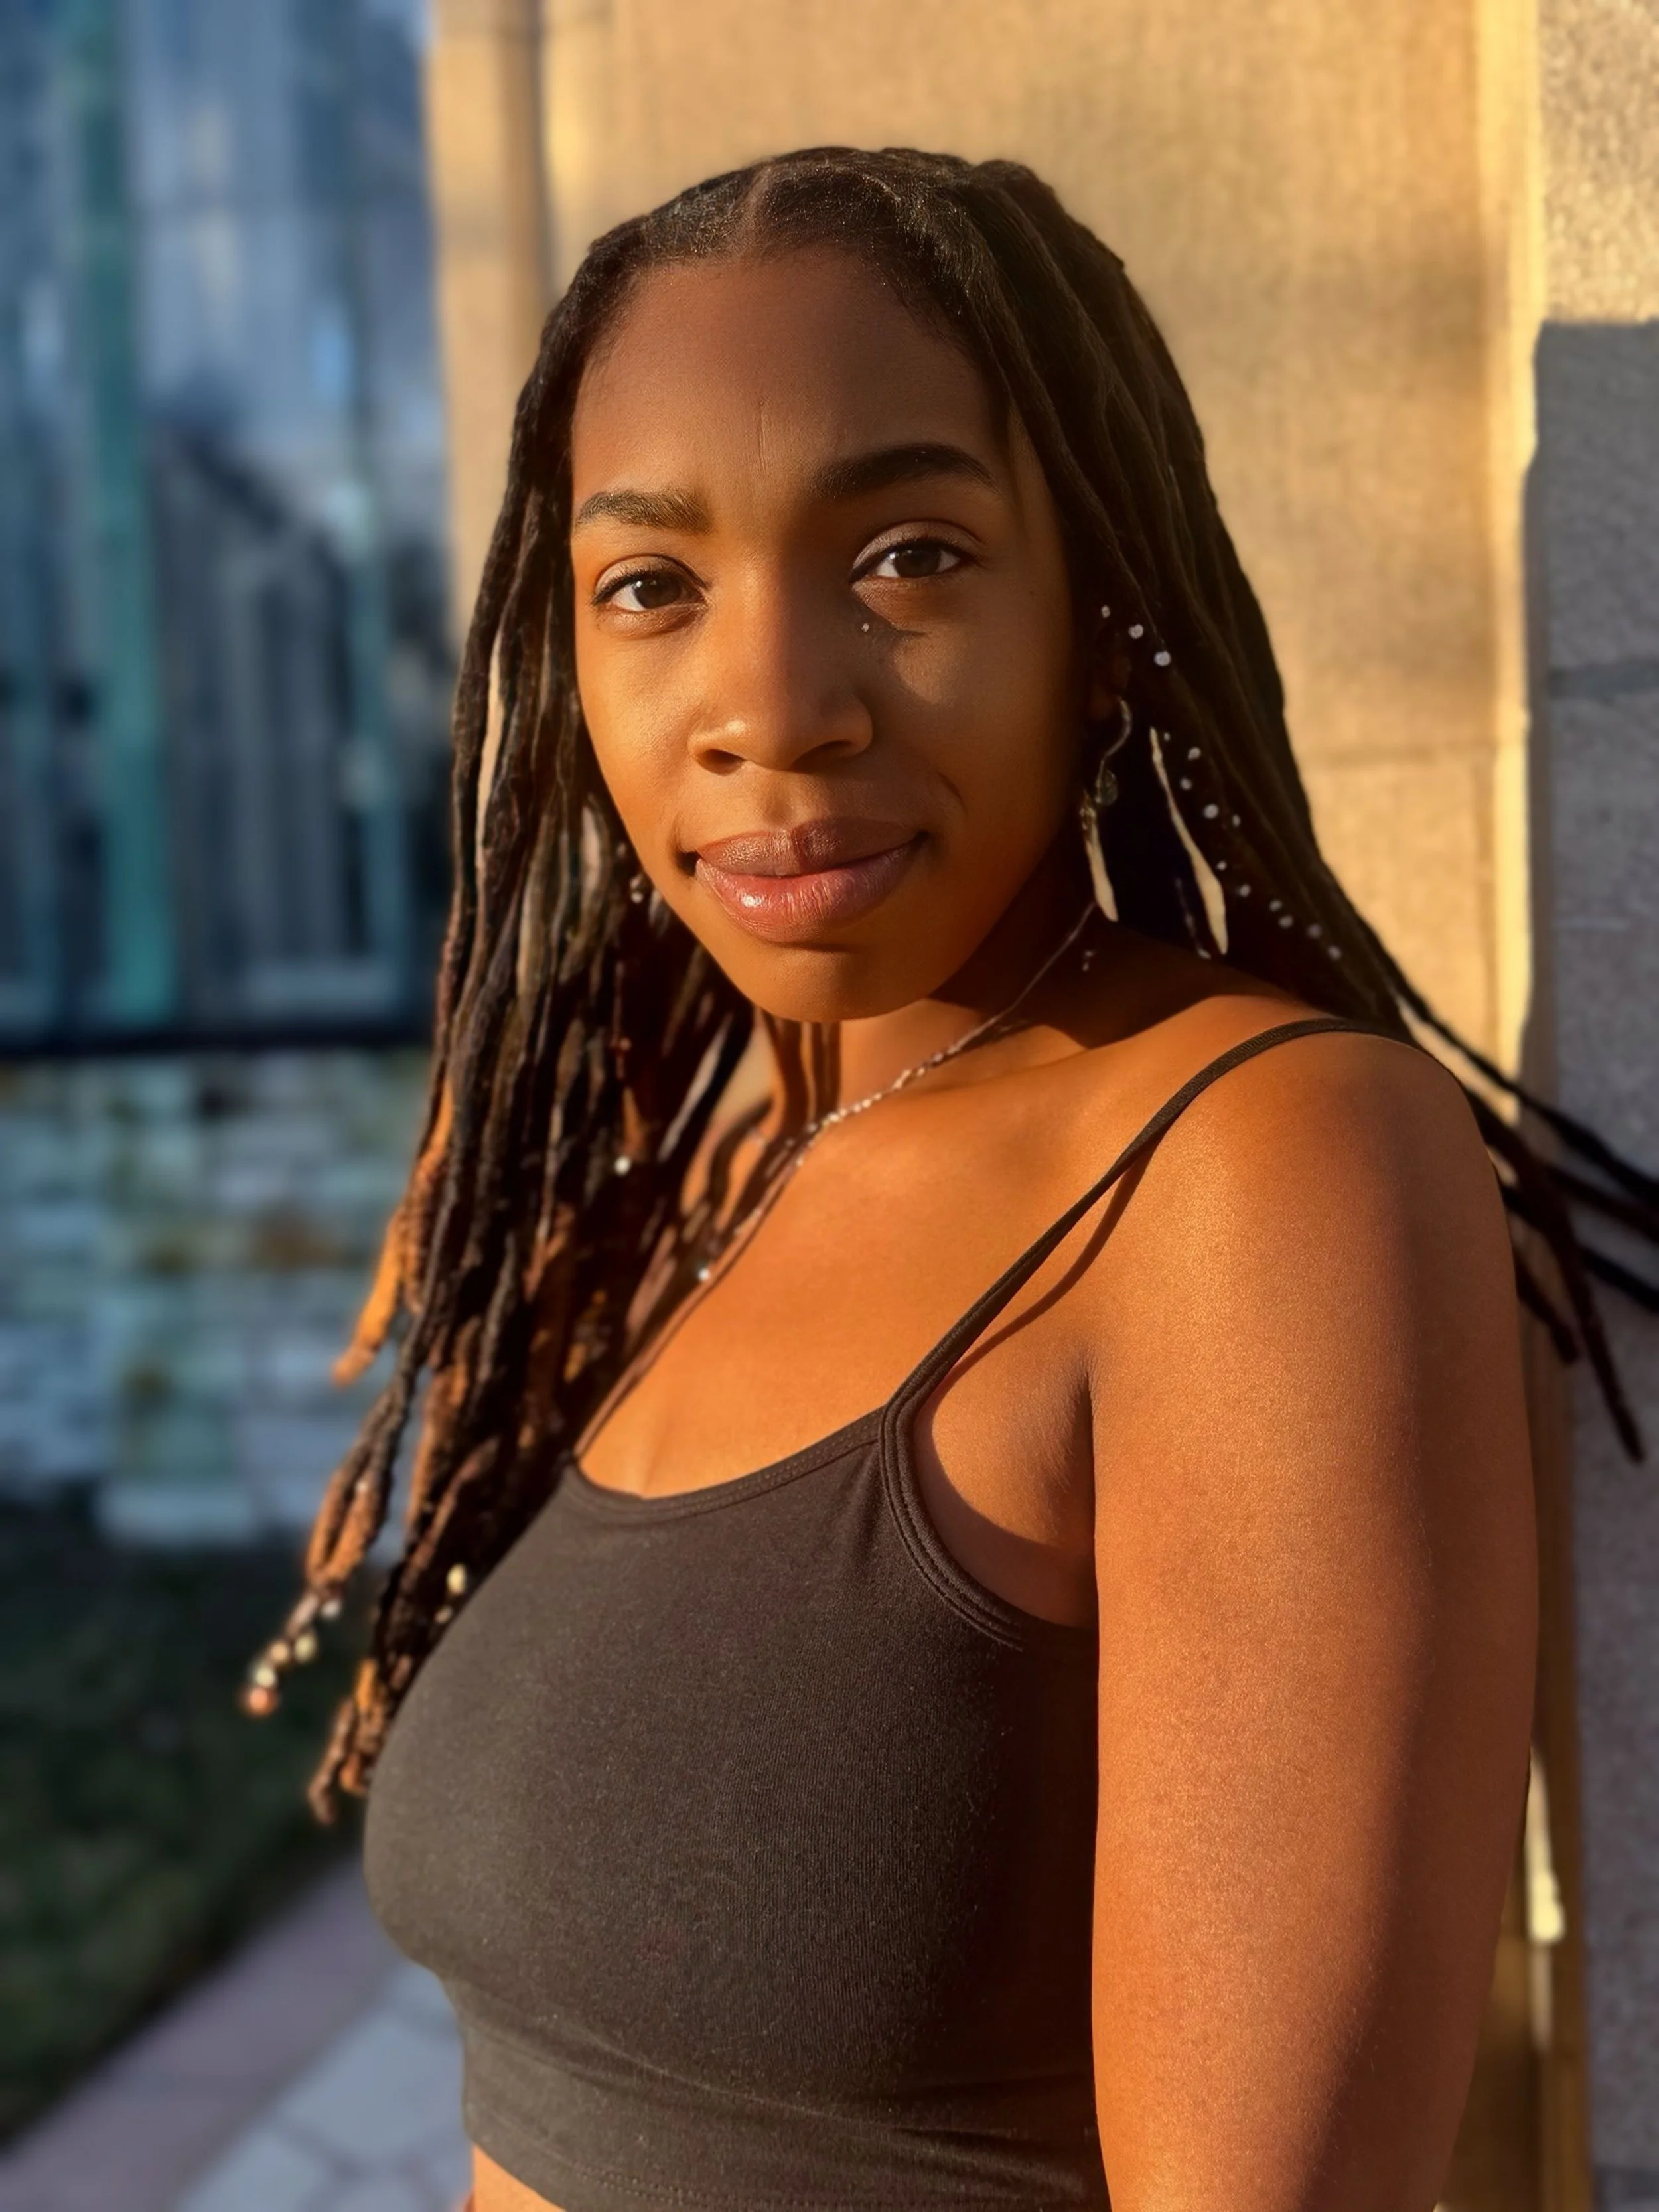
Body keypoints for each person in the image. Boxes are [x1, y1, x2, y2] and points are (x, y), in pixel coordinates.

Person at [245, 149, 1652, 2211]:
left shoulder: (1251, 1175)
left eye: (907, 556)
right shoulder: (722, 1168)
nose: (770, 709)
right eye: (651, 586)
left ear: (1100, 615)